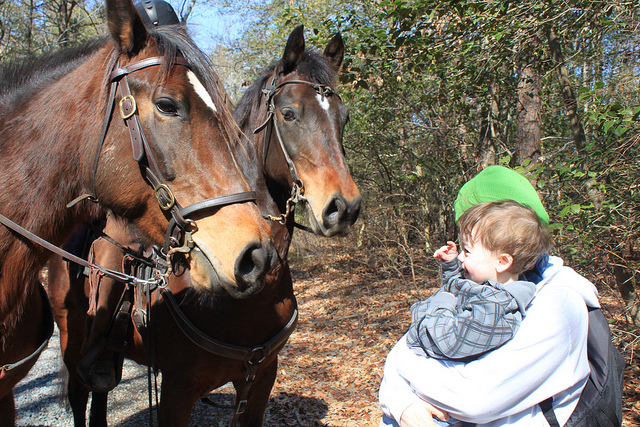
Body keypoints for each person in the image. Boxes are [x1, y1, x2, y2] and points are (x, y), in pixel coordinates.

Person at [379, 165, 600, 427]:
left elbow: (472, 399)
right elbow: (418, 340)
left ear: (504, 251)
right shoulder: (485, 283)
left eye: (470, 247)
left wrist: (404, 360)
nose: (462, 258)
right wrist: (401, 403)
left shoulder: (559, 304)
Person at [407, 200, 551, 363]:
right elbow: (456, 288)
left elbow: (451, 342)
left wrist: (439, 305)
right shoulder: (484, 284)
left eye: (467, 251)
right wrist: (451, 266)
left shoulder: (494, 309)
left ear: (502, 262)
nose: (461, 257)